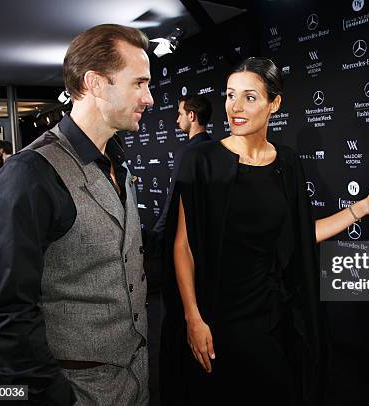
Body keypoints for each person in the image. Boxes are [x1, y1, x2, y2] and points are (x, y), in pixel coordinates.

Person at [0, 24, 154, 405]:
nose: (149, 98)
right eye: (139, 83)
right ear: (95, 82)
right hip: (76, 388)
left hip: (134, 376)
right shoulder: (30, 174)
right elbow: (9, 314)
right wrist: (54, 396)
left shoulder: (117, 161)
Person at [168, 57, 327, 405]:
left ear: (275, 103)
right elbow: (183, 246)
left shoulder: (287, 162)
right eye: (229, 95)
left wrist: (360, 209)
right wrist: (192, 317)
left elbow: (300, 235)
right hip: (216, 319)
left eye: (250, 97)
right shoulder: (202, 160)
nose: (235, 107)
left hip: (271, 318)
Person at [144, 94, 212, 406]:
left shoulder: (190, 152)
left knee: (179, 317)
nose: (176, 120)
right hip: (204, 252)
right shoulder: (214, 149)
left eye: (180, 113)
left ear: (193, 116)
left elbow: (174, 204)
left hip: (181, 248)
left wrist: (156, 238)